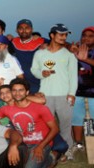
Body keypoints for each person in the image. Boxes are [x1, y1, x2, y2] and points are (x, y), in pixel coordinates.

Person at [0, 78, 59, 168]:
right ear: (12, 93)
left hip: (41, 143)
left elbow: (55, 129)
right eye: (14, 91)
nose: (17, 93)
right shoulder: (6, 109)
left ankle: (51, 157)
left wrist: (41, 146)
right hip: (23, 144)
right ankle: (46, 161)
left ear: (27, 92)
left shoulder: (40, 108)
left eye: (21, 90)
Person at [31, 24, 78, 160]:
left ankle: (67, 151)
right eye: (60, 34)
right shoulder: (40, 53)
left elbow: (73, 76)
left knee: (65, 124)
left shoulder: (70, 54)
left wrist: (72, 93)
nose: (64, 37)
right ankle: (49, 149)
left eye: (65, 35)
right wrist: (42, 73)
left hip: (64, 95)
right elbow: (34, 70)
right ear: (52, 35)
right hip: (45, 94)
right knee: (47, 125)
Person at [71, 26, 94, 154]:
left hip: (93, 92)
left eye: (90, 36)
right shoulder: (75, 50)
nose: (86, 38)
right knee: (77, 119)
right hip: (77, 92)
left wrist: (84, 59)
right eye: (84, 35)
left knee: (91, 119)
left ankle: (91, 143)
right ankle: (79, 144)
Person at [12, 19, 48, 94]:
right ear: (16, 30)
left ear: (32, 30)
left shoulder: (41, 41)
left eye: (27, 28)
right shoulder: (13, 42)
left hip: (38, 83)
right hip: (20, 85)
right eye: (21, 28)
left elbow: (59, 45)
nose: (24, 30)